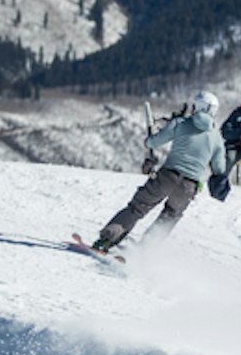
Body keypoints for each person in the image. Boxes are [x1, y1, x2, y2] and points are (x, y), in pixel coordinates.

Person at [94, 90, 228, 253]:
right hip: (189, 186)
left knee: (137, 208)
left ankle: (106, 241)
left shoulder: (180, 123)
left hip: (167, 176)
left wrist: (157, 133)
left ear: (198, 106)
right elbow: (220, 168)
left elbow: (152, 142)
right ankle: (142, 253)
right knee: (169, 217)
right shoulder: (217, 138)